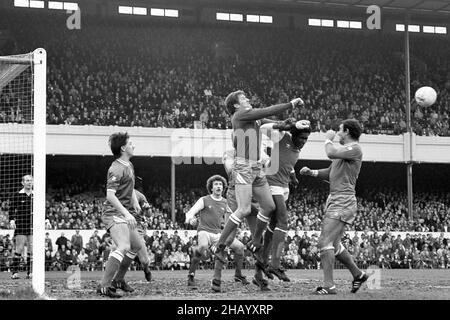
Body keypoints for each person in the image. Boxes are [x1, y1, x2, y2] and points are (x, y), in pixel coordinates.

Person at [214, 90, 304, 269]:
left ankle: (255, 242)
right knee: (244, 209)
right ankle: (220, 244)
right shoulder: (240, 115)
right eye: (243, 98)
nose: (247, 99)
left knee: (269, 206)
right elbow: (267, 111)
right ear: (236, 105)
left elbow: (273, 123)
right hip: (244, 166)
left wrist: (288, 125)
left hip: (256, 167)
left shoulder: (252, 118)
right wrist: (291, 104)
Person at [300, 119, 368, 294]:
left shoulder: (355, 148)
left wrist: (327, 139)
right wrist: (312, 172)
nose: (337, 133)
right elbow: (331, 173)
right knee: (335, 245)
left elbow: (330, 153)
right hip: (337, 199)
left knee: (324, 241)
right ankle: (358, 274)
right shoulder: (343, 153)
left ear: (346, 131)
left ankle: (329, 286)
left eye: (339, 130)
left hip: (343, 200)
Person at [259, 120, 311, 282]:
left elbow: (287, 162)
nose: (303, 142)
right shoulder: (281, 137)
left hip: (284, 186)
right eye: (301, 138)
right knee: (283, 221)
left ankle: (263, 260)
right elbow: (262, 128)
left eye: (306, 139)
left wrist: (293, 176)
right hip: (272, 183)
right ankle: (274, 264)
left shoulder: (297, 149)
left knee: (273, 225)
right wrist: (281, 125)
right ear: (293, 134)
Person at [97, 132, 142, 298]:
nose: (134, 145)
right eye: (131, 143)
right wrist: (126, 213)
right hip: (113, 213)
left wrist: (135, 202)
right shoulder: (116, 168)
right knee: (124, 246)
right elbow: (110, 195)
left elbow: (128, 189)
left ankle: (118, 280)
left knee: (136, 246)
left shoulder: (128, 165)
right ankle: (104, 286)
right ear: (123, 147)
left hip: (124, 212)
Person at [185, 175, 248, 292]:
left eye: (220, 184)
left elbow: (233, 218)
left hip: (219, 234)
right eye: (216, 184)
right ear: (211, 188)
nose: (219, 186)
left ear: (223, 187)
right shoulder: (204, 200)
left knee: (240, 247)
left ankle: (238, 275)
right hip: (204, 231)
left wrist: (236, 228)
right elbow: (190, 213)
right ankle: (191, 276)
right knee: (203, 247)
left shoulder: (226, 202)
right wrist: (190, 219)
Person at [9, 175, 33, 279]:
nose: (29, 182)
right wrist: (12, 219)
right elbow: (11, 209)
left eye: (31, 180)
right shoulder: (17, 195)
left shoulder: (35, 195)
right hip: (21, 225)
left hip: (33, 225)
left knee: (31, 249)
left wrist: (46, 219)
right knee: (19, 248)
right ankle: (14, 272)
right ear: (22, 183)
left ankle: (30, 272)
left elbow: (41, 208)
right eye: (27, 180)